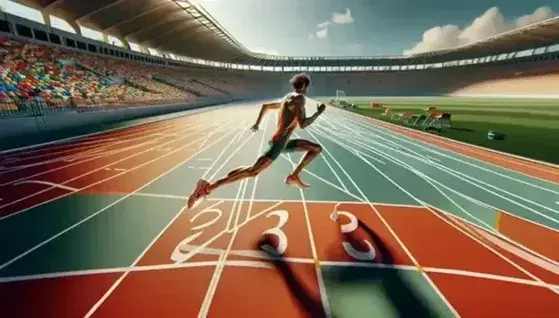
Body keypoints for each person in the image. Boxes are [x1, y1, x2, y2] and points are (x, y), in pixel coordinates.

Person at [187, 73, 326, 209]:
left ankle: (294, 176)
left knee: (316, 148)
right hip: (278, 144)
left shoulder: (286, 98)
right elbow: (303, 124)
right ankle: (206, 188)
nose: (307, 90)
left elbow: (265, 106)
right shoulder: (300, 98)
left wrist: (257, 124)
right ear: (304, 86)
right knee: (253, 172)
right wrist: (318, 113)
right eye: (307, 87)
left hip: (281, 143)